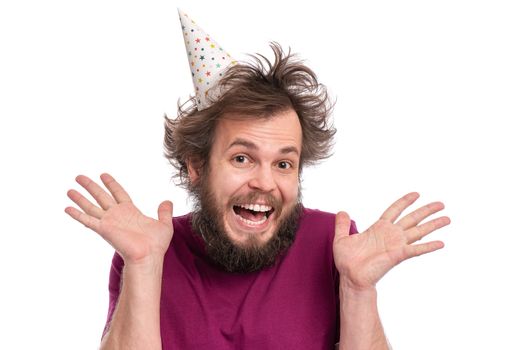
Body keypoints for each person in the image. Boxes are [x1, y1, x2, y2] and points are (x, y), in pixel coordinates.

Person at [65, 12, 450, 350]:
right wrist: (145, 266)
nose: (265, 182)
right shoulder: (146, 251)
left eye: (284, 164)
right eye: (242, 158)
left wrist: (358, 290)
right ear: (197, 165)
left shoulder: (335, 245)